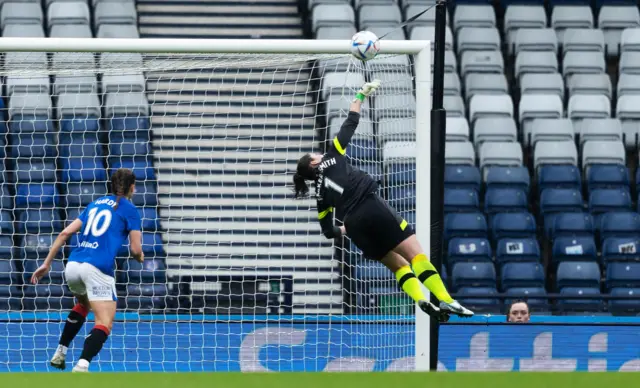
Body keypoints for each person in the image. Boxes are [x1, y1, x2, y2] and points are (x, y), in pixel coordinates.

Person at [292, 80, 473, 321]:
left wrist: (344, 228)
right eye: (314, 155)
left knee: (398, 265)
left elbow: (327, 231)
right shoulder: (332, 155)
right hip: (371, 206)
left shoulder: (319, 196)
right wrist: (359, 96)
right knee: (416, 255)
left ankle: (420, 298)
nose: (318, 154)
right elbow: (351, 123)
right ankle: (447, 300)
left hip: (355, 227)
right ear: (314, 163)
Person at [30, 168, 144, 372]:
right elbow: (136, 250)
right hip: (97, 268)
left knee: (83, 303)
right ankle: (82, 366)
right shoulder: (129, 209)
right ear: (132, 187)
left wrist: (46, 263)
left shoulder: (94, 204)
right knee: (104, 322)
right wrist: (141, 257)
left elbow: (65, 232)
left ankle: (60, 352)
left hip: (73, 266)